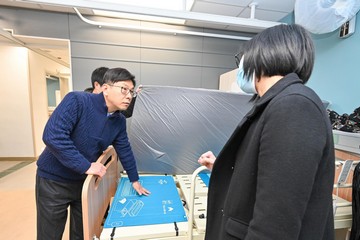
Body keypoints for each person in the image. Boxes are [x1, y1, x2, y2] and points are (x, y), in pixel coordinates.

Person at [198, 24, 335, 240]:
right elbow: (272, 174)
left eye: (242, 60)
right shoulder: (277, 104)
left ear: (263, 56)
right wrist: (220, 165)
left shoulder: (294, 106)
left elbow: (275, 223)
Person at [36, 67, 150, 240]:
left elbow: (124, 149)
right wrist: (86, 165)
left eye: (131, 92)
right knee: (50, 234)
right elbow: (53, 136)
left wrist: (134, 180)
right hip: (54, 181)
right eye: (124, 89)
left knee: (83, 232)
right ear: (105, 88)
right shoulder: (77, 100)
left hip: (84, 183)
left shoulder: (118, 120)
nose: (128, 96)